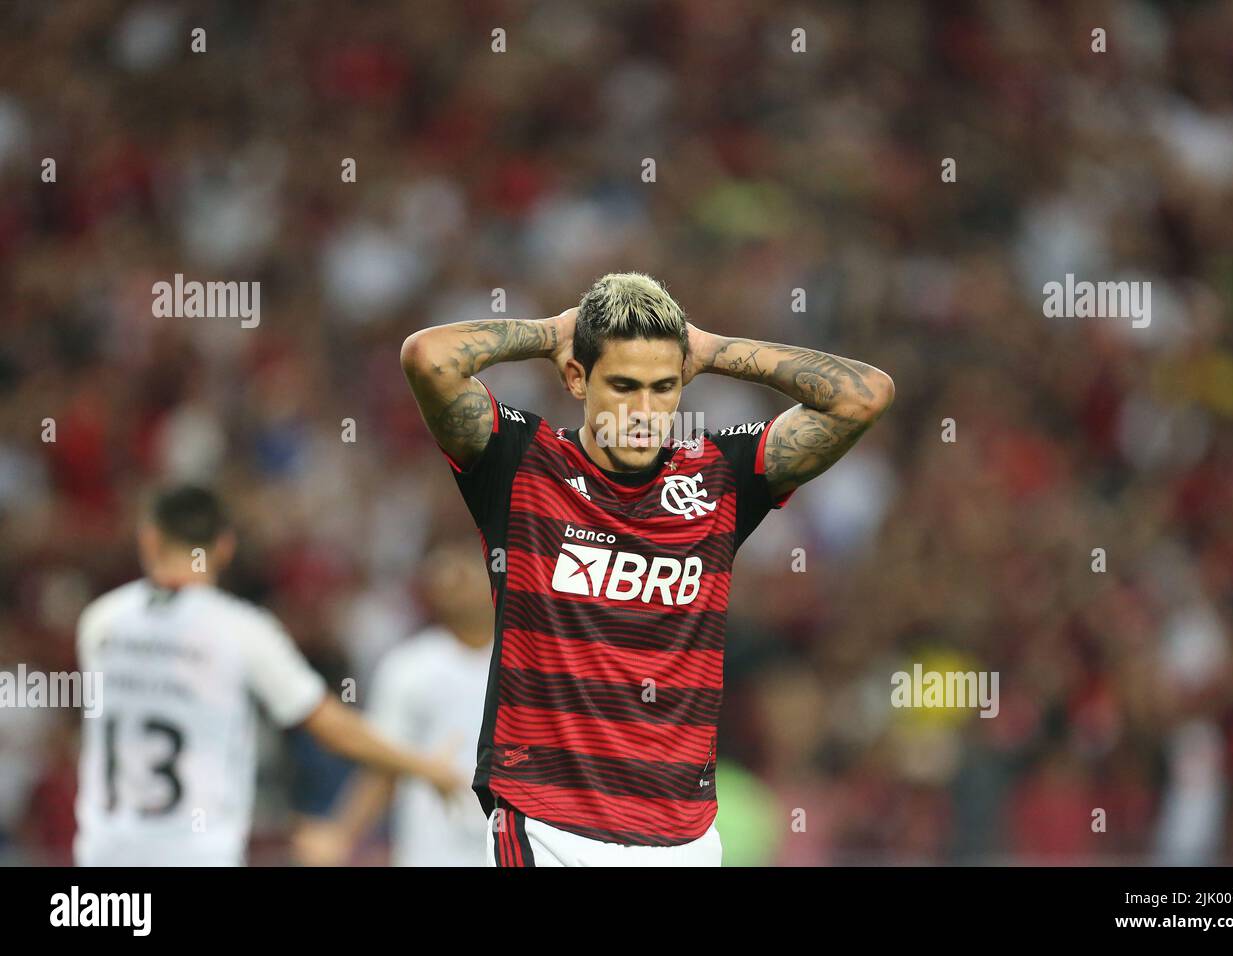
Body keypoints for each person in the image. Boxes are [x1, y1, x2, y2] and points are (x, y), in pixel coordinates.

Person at [399, 271, 894, 866]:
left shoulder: (719, 475)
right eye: (624, 384)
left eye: (664, 387)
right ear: (577, 377)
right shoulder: (522, 461)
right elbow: (429, 358)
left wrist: (709, 350)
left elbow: (863, 394)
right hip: (549, 826)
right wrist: (554, 331)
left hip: (683, 840)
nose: (644, 410)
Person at [73, 484, 464, 866]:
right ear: (225, 546)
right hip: (197, 852)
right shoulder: (240, 629)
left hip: (105, 852)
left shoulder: (100, 621)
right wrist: (425, 767)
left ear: (149, 539)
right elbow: (330, 726)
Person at [293, 539, 494, 866]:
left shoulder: (530, 660)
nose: (454, 584)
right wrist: (341, 834)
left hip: (518, 846)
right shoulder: (408, 666)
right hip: (433, 850)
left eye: (465, 573)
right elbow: (383, 763)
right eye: (442, 577)